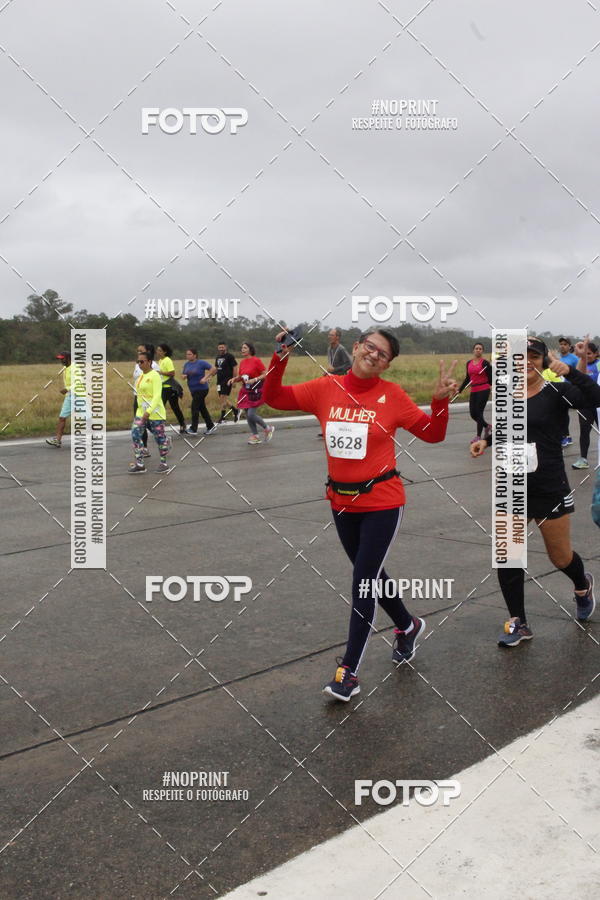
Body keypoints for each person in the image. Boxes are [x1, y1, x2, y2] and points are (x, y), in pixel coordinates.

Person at [264, 326, 458, 701]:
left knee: (363, 580)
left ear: (387, 364)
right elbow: (273, 397)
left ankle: (348, 671)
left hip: (383, 501)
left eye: (382, 353)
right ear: (356, 347)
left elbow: (433, 434)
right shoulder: (325, 388)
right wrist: (281, 354)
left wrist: (439, 402)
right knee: (372, 574)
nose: (373, 354)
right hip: (342, 503)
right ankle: (407, 625)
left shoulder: (393, 396)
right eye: (369, 346)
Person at [471, 337, 600, 645]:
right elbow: (500, 426)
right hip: (511, 485)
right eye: (520, 356)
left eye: (533, 356)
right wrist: (485, 440)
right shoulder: (505, 395)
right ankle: (519, 622)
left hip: (548, 486)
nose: (526, 361)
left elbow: (595, 397)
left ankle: (582, 585)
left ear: (543, 360)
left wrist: (570, 372)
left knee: (560, 557)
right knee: (508, 555)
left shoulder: (556, 390)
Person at [129, 351, 171, 474]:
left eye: (142, 361)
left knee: (159, 438)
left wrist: (149, 411)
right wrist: (140, 412)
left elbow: (157, 396)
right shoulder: (141, 377)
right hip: (141, 413)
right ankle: (140, 464)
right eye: (138, 362)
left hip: (156, 413)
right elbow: (140, 397)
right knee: (135, 434)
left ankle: (164, 463)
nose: (140, 364)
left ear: (149, 362)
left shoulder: (155, 376)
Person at [229, 342, 274, 445]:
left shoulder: (256, 361)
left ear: (250, 349)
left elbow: (265, 374)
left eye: (245, 348)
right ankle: (255, 436)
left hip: (256, 389)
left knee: (251, 414)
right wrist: (234, 379)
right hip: (246, 390)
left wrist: (254, 379)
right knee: (247, 414)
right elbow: (242, 377)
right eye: (242, 348)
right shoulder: (243, 362)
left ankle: (267, 428)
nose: (242, 349)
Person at [317, 329, 353, 437]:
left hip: (341, 380)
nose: (329, 337)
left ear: (337, 337)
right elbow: (331, 365)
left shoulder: (341, 349)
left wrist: (335, 369)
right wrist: (327, 372)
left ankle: (344, 427)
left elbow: (349, 364)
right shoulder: (329, 349)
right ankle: (327, 429)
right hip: (332, 379)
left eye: (332, 335)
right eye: (329, 335)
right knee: (328, 403)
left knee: (338, 404)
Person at [45, 351, 86, 447]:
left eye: (62, 358)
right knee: (62, 417)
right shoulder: (65, 368)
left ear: (68, 358)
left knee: (86, 418)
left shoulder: (75, 368)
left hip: (79, 395)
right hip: (70, 396)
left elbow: (78, 381)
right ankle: (57, 440)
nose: (61, 360)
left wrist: (66, 389)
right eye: (60, 359)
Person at [454, 342, 492, 443]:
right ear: (473, 350)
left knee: (479, 413)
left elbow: (491, 377)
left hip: (484, 389)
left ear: (482, 351)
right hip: (474, 390)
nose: (478, 350)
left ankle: (478, 436)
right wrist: (460, 390)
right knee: (472, 413)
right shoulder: (469, 363)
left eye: (480, 349)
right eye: (476, 348)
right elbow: (468, 378)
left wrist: (493, 387)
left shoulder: (485, 363)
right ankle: (487, 426)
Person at [572, 338, 600, 469]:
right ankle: (583, 459)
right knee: (584, 431)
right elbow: (576, 378)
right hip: (585, 405)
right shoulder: (581, 364)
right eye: (586, 353)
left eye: (589, 353)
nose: (587, 356)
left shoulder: (599, 365)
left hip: (598, 405)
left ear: (596, 354)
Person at [132, 343, 160, 458]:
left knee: (150, 423)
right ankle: (144, 448)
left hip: (149, 400)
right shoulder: (137, 365)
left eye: (141, 351)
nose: (138, 353)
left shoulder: (155, 366)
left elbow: (156, 386)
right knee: (139, 425)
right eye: (138, 351)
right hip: (138, 398)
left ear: (148, 352)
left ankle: (162, 438)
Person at [182, 349, 217, 435]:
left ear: (195, 355)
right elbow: (183, 374)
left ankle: (193, 429)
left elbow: (213, 369)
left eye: (189, 354)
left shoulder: (201, 363)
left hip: (202, 389)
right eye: (187, 354)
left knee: (194, 407)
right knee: (202, 408)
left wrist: (205, 378)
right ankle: (211, 426)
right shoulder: (186, 364)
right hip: (193, 390)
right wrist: (184, 376)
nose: (187, 356)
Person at [156, 342, 187, 434]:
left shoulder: (167, 360)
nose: (157, 352)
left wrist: (161, 373)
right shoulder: (160, 361)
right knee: (161, 407)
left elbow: (172, 373)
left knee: (174, 407)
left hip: (170, 388)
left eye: (160, 350)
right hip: (162, 387)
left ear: (164, 352)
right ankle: (160, 427)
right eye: (157, 350)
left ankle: (182, 424)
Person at [558, 338, 578, 447]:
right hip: (558, 389)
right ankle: (567, 436)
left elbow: (578, 374)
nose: (562, 346)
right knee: (560, 413)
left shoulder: (574, 359)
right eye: (561, 344)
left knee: (563, 413)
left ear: (569, 346)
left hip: (569, 389)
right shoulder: (558, 358)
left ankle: (564, 436)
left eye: (565, 344)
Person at [214, 342, 239, 423]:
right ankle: (235, 410)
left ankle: (222, 416)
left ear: (226, 347)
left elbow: (235, 367)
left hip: (227, 380)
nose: (221, 349)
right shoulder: (217, 357)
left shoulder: (230, 356)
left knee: (223, 397)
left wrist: (234, 380)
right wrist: (210, 376)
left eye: (222, 347)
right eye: (220, 347)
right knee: (222, 398)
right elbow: (216, 368)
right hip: (219, 380)